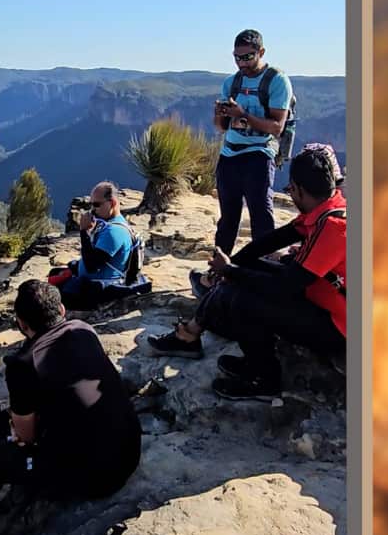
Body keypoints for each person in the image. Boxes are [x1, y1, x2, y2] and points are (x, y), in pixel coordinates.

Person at [0, 280, 142, 535]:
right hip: (129, 451)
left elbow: (26, 436)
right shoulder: (83, 329)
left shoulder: (23, 364)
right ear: (62, 310)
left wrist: (22, 432)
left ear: (21, 323)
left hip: (95, 476)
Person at [147, 146, 347, 400]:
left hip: (336, 327)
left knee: (244, 300)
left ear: (297, 189)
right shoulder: (328, 208)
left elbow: (284, 287)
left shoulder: (334, 229)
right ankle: (191, 332)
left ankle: (264, 379)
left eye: (290, 190)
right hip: (317, 297)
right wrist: (230, 267)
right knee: (243, 275)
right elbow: (269, 242)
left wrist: (230, 270)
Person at [212, 29, 294, 255]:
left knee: (261, 216)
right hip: (229, 154)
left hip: (259, 154)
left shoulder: (277, 81)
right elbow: (221, 128)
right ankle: (218, 270)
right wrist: (220, 113)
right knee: (228, 218)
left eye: (247, 57)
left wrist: (243, 115)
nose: (241, 63)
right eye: (237, 57)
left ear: (261, 52)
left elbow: (277, 126)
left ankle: (263, 267)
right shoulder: (231, 83)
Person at [48, 181, 135, 309]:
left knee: (51, 296)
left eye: (96, 204)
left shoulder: (114, 232)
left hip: (100, 288)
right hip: (94, 280)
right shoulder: (111, 224)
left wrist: (84, 232)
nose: (93, 210)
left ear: (112, 203)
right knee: (55, 273)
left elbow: (91, 266)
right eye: (91, 204)